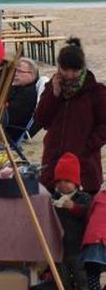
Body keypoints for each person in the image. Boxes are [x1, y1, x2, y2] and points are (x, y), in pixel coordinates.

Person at [35, 37, 106, 194]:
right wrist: (54, 95)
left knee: (82, 206)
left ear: (82, 68)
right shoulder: (52, 87)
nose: (69, 75)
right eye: (65, 70)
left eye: (75, 71)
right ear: (59, 67)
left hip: (83, 166)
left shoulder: (96, 91)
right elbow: (41, 119)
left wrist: (87, 147)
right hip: (53, 164)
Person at [51, 153, 92, 290]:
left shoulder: (83, 197)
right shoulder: (53, 197)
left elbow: (88, 213)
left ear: (76, 183)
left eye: (67, 181)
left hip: (78, 248)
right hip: (60, 248)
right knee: (62, 282)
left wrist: (73, 207)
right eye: (59, 181)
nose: (62, 184)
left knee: (82, 280)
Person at [4, 57, 40, 142]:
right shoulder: (19, 87)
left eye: (20, 71)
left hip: (10, 132)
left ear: (32, 74)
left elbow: (10, 117)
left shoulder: (27, 93)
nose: (15, 74)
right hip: (8, 127)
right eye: (15, 71)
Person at [82, 188, 106, 290]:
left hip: (93, 238)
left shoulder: (99, 195)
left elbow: (89, 215)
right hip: (98, 238)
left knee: (92, 274)